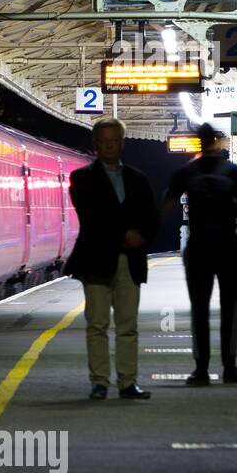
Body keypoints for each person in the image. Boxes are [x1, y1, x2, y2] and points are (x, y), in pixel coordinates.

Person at [65, 117, 160, 400]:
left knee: (127, 325)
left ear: (122, 142)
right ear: (95, 145)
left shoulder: (137, 178)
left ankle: (128, 382)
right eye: (103, 141)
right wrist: (127, 233)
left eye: (114, 140)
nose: (108, 146)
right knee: (97, 324)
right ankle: (100, 382)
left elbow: (151, 215)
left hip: (129, 261)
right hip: (96, 261)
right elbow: (92, 215)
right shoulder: (81, 179)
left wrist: (142, 236)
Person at [161, 122, 237, 385]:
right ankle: (230, 367)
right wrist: (231, 205)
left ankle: (201, 369)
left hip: (198, 250)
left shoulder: (185, 172)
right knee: (230, 310)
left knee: (199, 310)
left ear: (198, 142)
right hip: (228, 248)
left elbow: (165, 207)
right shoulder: (233, 172)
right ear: (218, 142)